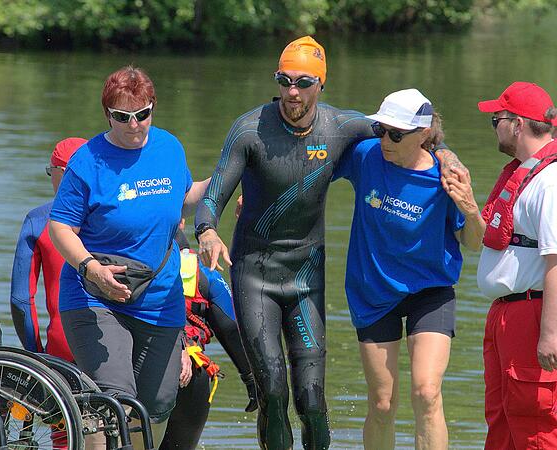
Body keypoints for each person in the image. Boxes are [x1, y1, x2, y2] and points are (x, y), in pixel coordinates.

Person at [194, 36, 464, 449]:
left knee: (312, 401)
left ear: (321, 84)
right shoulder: (249, 130)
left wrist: (446, 154)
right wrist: (207, 231)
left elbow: (413, 132)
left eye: (303, 82)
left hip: (305, 276)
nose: (292, 92)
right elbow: (214, 194)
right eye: (284, 80)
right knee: (273, 391)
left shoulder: (342, 128)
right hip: (255, 275)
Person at [48, 65, 209, 449]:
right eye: (122, 117)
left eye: (142, 114)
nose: (134, 125)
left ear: (153, 107)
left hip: (159, 298)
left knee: (157, 404)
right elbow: (60, 226)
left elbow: (186, 198)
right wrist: (92, 269)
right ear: (108, 114)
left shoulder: (169, 147)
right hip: (96, 296)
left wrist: (230, 177)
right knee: (116, 401)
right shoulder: (88, 161)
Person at [332, 89, 483, 450]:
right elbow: (312, 160)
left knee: (427, 393)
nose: (385, 140)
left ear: (423, 134)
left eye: (396, 134)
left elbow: (475, 242)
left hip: (430, 291)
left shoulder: (446, 178)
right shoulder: (366, 156)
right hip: (374, 291)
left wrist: (471, 210)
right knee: (382, 404)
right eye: (381, 130)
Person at [475, 82, 557, 449]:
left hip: (532, 314)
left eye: (497, 120)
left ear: (518, 124)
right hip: (507, 314)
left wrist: (550, 333)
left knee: (535, 425)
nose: (495, 127)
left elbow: (555, 259)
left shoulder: (550, 182)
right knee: (502, 423)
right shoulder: (526, 173)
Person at [160, 221, 258, 450]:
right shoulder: (201, 272)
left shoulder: (115, 260)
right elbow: (232, 328)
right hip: (189, 375)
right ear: (182, 222)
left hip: (129, 370)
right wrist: (252, 379)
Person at [10, 137, 87, 362]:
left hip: (62, 348)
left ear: (62, 172)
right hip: (115, 347)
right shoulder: (119, 216)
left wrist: (36, 354)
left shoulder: (39, 220)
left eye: (49, 171)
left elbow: (21, 299)